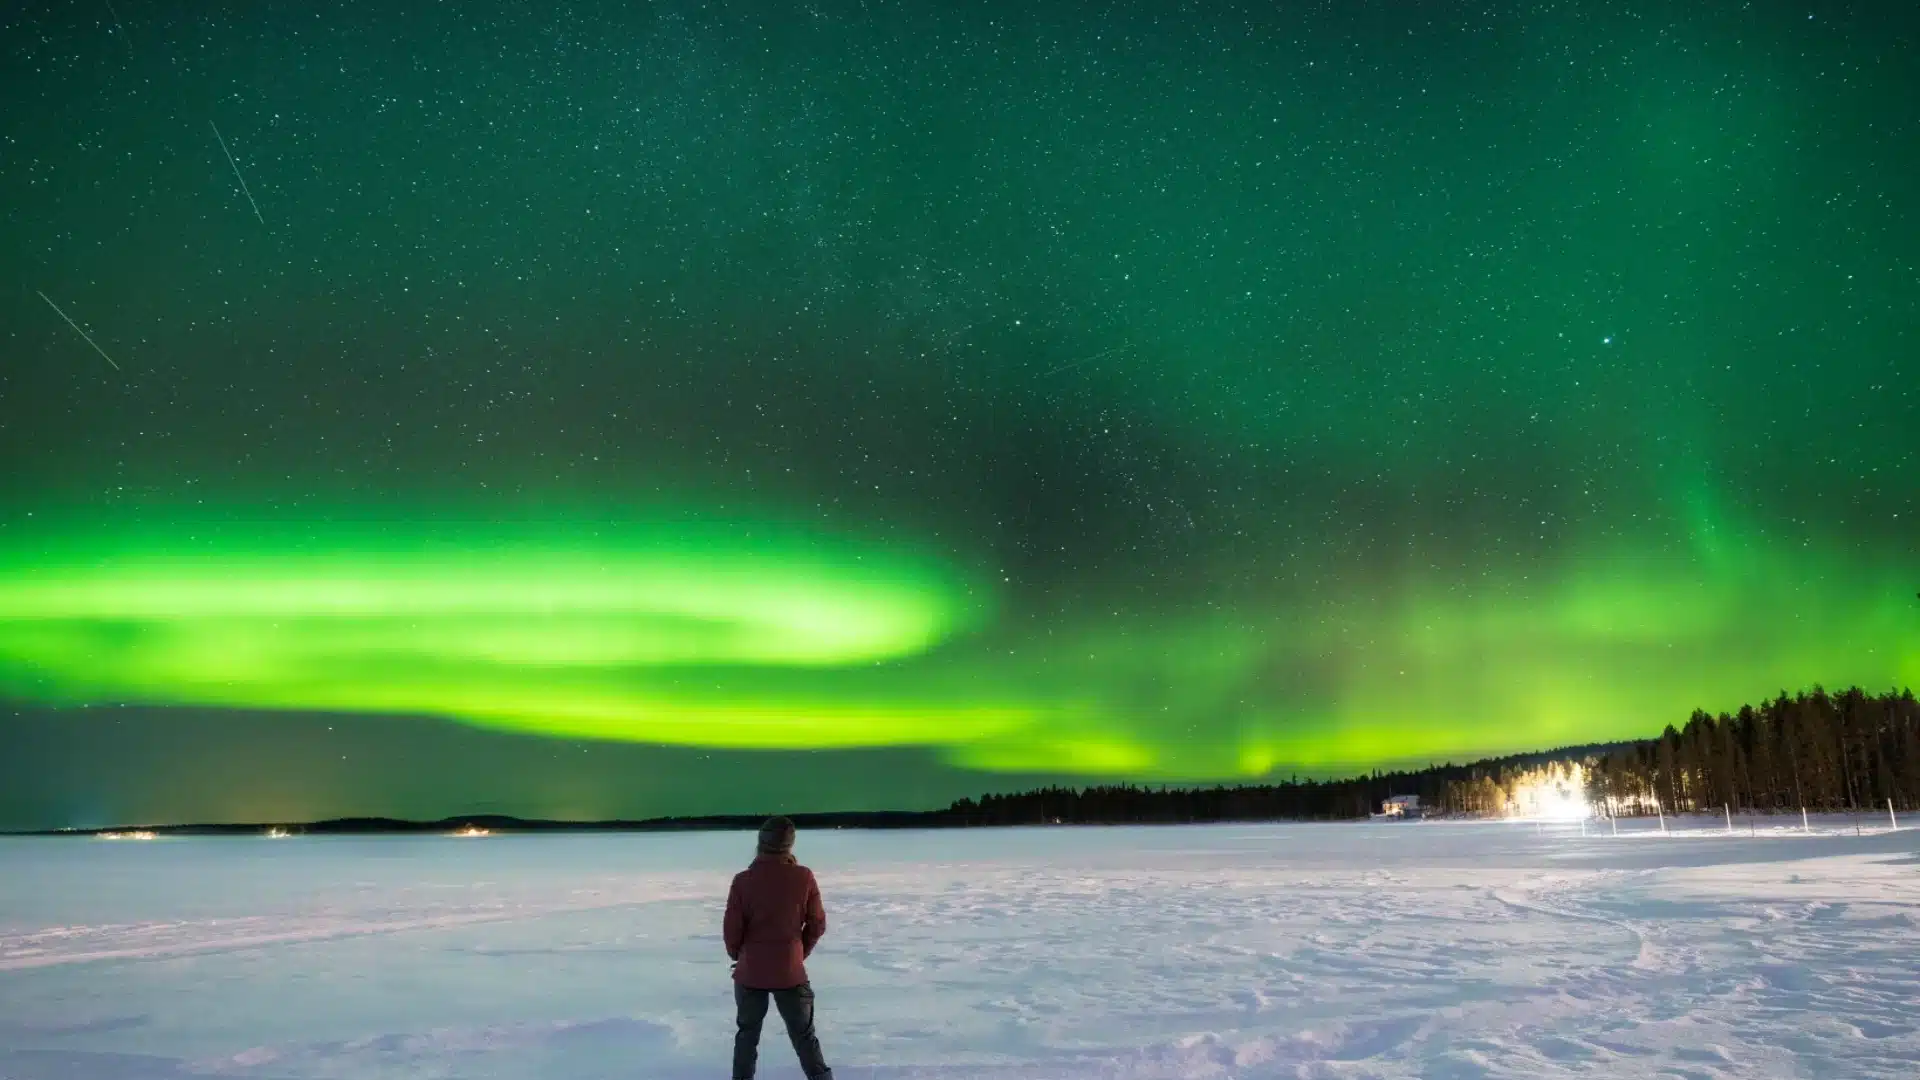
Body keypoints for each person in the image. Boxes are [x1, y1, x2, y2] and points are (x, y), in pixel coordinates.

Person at [723, 816, 833, 1080]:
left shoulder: (743, 881)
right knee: (804, 1037)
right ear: (789, 845)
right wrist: (798, 953)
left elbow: (732, 930)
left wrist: (739, 955)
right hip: (790, 972)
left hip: (751, 971)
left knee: (747, 1037)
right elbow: (817, 923)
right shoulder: (803, 877)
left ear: (761, 842)